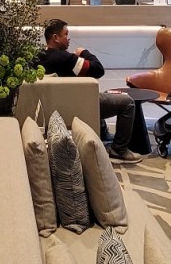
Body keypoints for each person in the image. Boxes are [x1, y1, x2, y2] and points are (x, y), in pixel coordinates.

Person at [37, 19, 143, 163]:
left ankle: (103, 134)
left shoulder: (39, 57)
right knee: (127, 102)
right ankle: (119, 149)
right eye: (66, 34)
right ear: (55, 37)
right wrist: (84, 53)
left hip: (57, 105)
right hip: (79, 104)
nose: (69, 38)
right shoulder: (67, 59)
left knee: (103, 94)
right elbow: (98, 70)